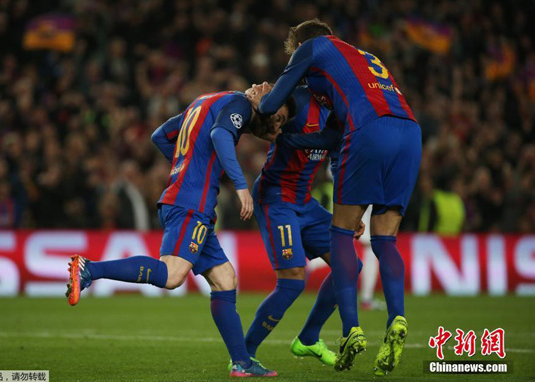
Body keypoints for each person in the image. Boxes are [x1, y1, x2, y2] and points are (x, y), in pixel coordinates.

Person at [66, 90, 290, 377]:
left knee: (224, 279)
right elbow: (221, 135)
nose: (261, 87)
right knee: (172, 275)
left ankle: (241, 363)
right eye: (276, 125)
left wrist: (190, 167)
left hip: (189, 200)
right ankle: (89, 269)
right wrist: (241, 186)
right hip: (190, 203)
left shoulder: (207, 101)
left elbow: (160, 135)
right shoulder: (241, 105)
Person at [252, 19, 422, 376]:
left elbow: (269, 106)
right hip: (409, 132)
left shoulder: (313, 49)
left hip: (369, 130)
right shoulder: (362, 58)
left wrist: (257, 102)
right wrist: (286, 141)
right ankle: (397, 318)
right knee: (385, 239)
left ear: (299, 46)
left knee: (342, 233)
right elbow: (330, 137)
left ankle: (351, 331)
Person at [244, 85, 363, 367]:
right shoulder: (298, 98)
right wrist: (255, 100)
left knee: (349, 266)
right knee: (294, 280)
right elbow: (262, 112)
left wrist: (351, 213)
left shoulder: (340, 113)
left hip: (303, 200)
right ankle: (243, 355)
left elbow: (338, 164)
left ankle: (308, 338)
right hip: (276, 197)